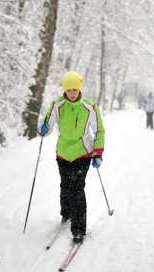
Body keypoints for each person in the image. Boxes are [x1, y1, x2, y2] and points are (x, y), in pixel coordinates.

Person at [38, 71, 105, 245]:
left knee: (77, 188)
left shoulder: (90, 106)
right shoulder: (57, 105)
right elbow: (47, 126)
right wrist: (43, 129)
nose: (72, 93)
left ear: (80, 89)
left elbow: (99, 131)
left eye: (75, 89)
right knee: (65, 185)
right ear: (65, 90)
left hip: (83, 154)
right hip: (63, 153)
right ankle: (66, 214)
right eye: (69, 90)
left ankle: (79, 228)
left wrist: (98, 153)